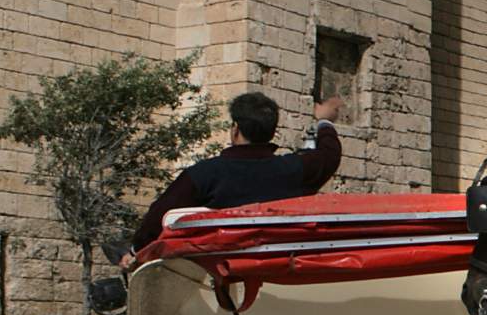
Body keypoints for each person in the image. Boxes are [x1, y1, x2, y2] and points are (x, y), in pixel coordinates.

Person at [121, 92, 343, 266]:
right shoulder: (295, 169)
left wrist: (134, 252)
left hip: (222, 273)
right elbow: (329, 155)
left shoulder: (205, 174)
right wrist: (324, 121)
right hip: (280, 268)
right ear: (272, 132)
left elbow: (159, 216)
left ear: (235, 129)